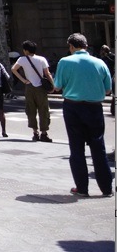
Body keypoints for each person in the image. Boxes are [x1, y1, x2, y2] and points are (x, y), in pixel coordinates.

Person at [53, 33, 113, 197]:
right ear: (86, 46)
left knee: (76, 148)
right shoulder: (99, 62)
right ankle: (106, 188)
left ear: (71, 46)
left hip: (73, 107)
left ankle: (82, 188)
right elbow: (108, 90)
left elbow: (57, 86)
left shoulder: (65, 62)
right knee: (98, 148)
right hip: (95, 107)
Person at [11, 40, 54, 142]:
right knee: (43, 110)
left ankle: (35, 132)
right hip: (41, 87)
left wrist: (23, 80)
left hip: (29, 86)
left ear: (26, 50)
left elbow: (13, 69)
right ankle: (44, 133)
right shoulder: (41, 59)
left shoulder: (22, 59)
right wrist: (53, 85)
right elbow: (47, 73)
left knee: (31, 110)